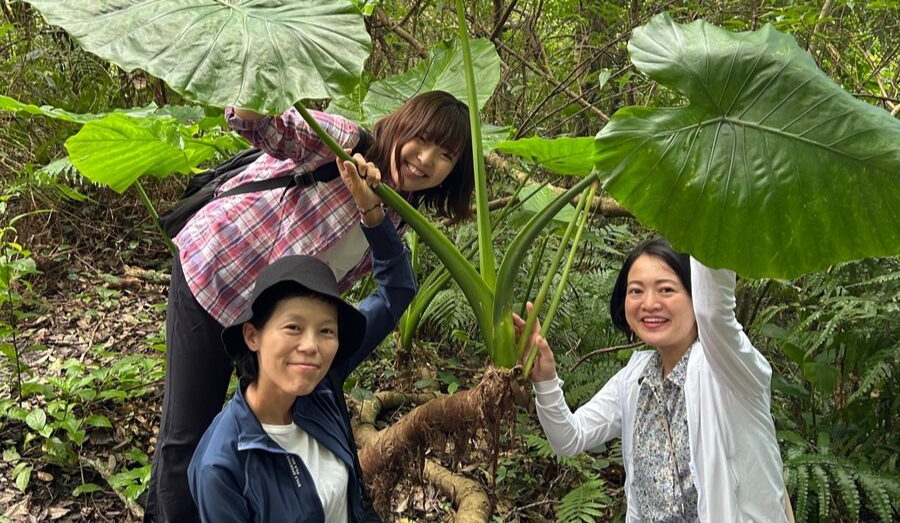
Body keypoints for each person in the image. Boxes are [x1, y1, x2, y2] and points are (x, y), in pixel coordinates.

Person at [145, 91, 473, 523]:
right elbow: (259, 125)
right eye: (423, 139)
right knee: (188, 436)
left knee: (239, 435)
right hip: (215, 277)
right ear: (404, 124)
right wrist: (260, 76)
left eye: (445, 155)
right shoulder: (342, 142)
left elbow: (398, 286)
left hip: (272, 323)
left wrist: (369, 209)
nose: (426, 159)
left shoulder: (393, 214)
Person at [187, 154, 416, 522]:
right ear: (253, 335)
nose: (311, 346)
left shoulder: (320, 385)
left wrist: (372, 211)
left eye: (326, 330)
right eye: (293, 327)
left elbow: (397, 290)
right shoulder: (224, 465)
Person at [516, 238, 793, 522]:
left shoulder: (729, 371)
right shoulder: (635, 379)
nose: (649, 303)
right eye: (636, 290)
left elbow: (714, 312)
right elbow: (569, 438)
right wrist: (546, 379)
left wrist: (704, 218)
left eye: (666, 289)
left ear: (695, 295)